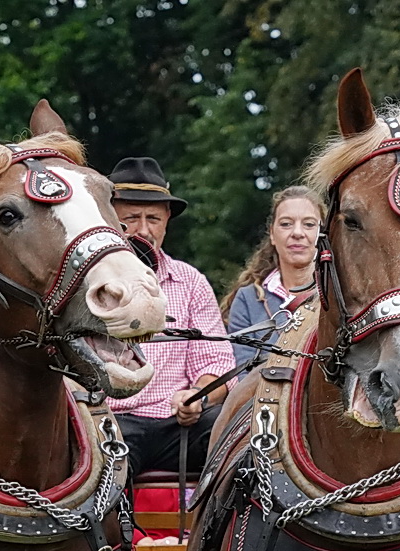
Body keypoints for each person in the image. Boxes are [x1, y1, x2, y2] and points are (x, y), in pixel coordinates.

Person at [105, 156, 236, 477]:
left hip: (176, 423)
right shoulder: (89, 286)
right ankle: (116, 529)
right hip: (112, 423)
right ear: (108, 220)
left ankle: (228, 528)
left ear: (166, 222)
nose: (144, 230)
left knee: (237, 442)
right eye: (131, 218)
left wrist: (198, 396)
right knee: (101, 463)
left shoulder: (190, 281)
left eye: (153, 218)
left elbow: (216, 365)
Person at [221, 186, 324, 371]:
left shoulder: (343, 295)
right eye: (286, 224)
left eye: (309, 224)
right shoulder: (248, 299)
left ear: (324, 233)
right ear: (272, 234)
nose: (298, 233)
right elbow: (242, 373)